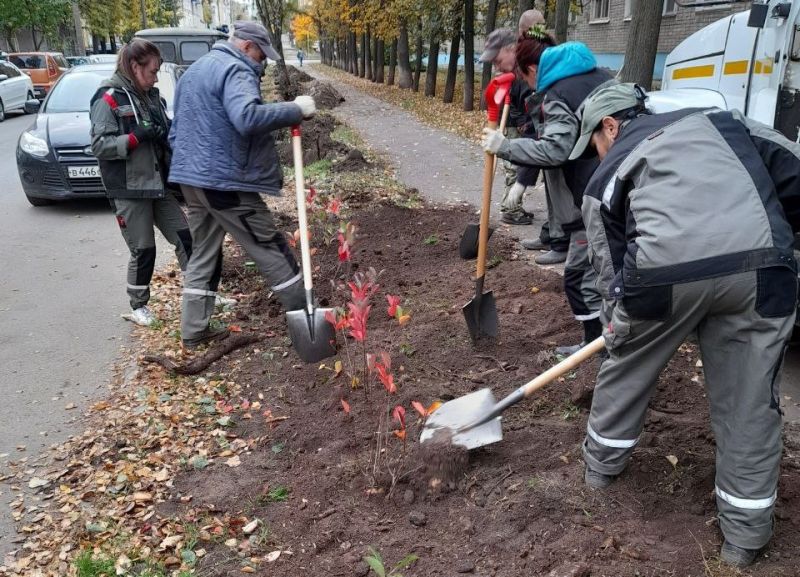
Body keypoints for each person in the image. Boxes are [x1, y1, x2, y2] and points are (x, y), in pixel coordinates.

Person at [572, 83, 800, 568]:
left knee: (627, 367)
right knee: (750, 399)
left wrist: (617, 326)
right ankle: (744, 539)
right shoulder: (725, 122)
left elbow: (608, 261)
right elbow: (792, 167)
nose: (596, 154)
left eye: (593, 142)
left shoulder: (611, 168)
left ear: (610, 126)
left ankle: (600, 471)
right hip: (761, 269)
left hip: (664, 275)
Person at [168, 20, 316, 349]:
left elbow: (177, 130)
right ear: (247, 46)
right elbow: (246, 117)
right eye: (261, 55)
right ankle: (307, 317)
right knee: (268, 243)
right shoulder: (236, 69)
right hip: (224, 184)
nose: (262, 63)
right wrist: (294, 110)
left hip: (192, 181)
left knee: (203, 252)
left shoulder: (195, 70)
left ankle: (193, 330)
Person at [481, 36, 610, 352]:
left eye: (527, 76)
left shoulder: (557, 93)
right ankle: (606, 341)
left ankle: (596, 346)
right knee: (609, 270)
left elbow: (556, 148)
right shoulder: (601, 75)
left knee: (581, 276)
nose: (529, 83)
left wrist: (507, 148)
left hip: (596, 194)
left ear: (532, 68)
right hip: (622, 186)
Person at [90, 39, 192, 327]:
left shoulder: (151, 97)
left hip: (157, 183)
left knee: (185, 237)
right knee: (144, 249)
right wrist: (134, 138)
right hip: (129, 188)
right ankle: (138, 306)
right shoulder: (108, 98)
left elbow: (165, 133)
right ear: (135, 67)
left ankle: (200, 292)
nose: (156, 77)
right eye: (152, 71)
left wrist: (163, 132)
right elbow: (99, 145)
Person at [478, 27, 538, 226]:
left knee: (517, 166)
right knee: (514, 168)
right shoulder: (508, 74)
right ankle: (510, 209)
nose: (496, 65)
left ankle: (513, 207)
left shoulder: (525, 70)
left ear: (511, 49)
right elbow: (509, 103)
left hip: (523, 126)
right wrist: (521, 121)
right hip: (515, 126)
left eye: (497, 59)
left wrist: (524, 122)